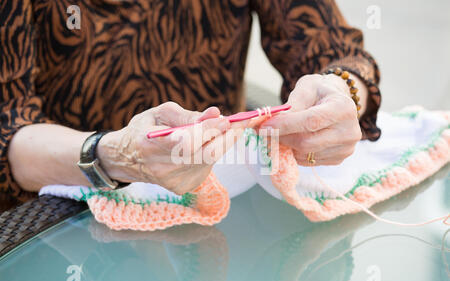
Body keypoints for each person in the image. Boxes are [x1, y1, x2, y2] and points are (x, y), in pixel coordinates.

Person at [0, 0, 381, 210]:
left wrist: (342, 90)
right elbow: (8, 129)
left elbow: (329, 45)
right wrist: (116, 155)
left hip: (219, 215)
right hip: (55, 222)